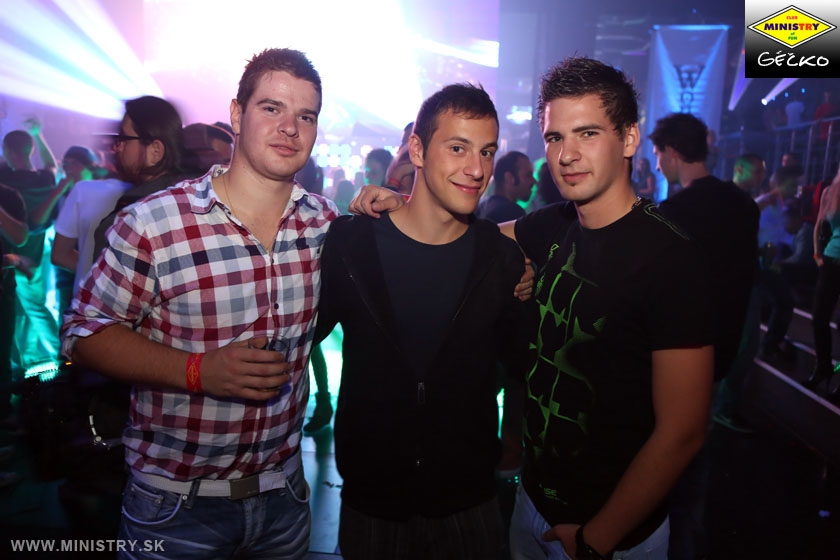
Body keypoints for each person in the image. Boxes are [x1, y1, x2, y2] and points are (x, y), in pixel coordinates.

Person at [349, 57, 715, 560]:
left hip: (611, 532)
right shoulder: (554, 224)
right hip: (531, 505)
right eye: (554, 137)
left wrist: (599, 538)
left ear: (629, 138)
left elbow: (684, 430)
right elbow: (463, 239)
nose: (567, 155)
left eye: (587, 134)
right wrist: (403, 207)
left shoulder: (671, 257)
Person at [61, 48, 339, 559]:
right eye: (272, 108)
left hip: (285, 498)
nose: (290, 128)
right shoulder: (154, 222)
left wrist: (390, 205)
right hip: (175, 507)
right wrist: (197, 371)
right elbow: (84, 333)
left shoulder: (326, 224)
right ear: (237, 114)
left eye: (306, 116)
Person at [316, 83, 528, 560]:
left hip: (468, 502)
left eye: (486, 151)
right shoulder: (353, 243)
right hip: (372, 502)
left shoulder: (500, 259)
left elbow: (522, 367)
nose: (477, 169)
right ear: (417, 150)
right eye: (458, 148)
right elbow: (297, 338)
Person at [648, 112, 759, 558]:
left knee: (668, 463)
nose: (658, 165)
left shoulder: (674, 214)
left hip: (677, 356)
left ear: (673, 153)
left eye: (659, 155)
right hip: (722, 351)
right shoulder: (744, 206)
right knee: (696, 459)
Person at [0, 121, 60, 373]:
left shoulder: (6, 180)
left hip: (12, 253)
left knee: (26, 309)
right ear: (30, 150)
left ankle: (60, 356)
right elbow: (51, 165)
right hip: (36, 249)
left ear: (8, 152)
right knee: (27, 308)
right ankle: (25, 362)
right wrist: (39, 134)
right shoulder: (44, 179)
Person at [809, 163, 840, 398]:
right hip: (830, 260)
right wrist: (817, 254)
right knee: (819, 317)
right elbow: (819, 224)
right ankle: (823, 366)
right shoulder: (831, 191)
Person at [476, 150, 535, 223]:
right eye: (528, 175)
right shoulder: (512, 212)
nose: (534, 181)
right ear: (509, 178)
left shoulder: (480, 208)